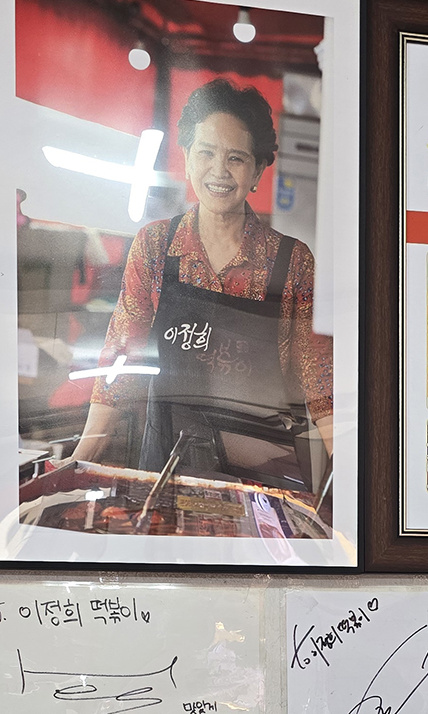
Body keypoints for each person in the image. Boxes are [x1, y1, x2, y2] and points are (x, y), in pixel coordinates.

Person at [72, 78, 333, 496]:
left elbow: (323, 387)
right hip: (166, 475)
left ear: (257, 170)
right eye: (206, 152)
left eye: (236, 158)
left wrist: (349, 486)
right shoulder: (155, 246)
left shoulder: (293, 263)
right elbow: (120, 363)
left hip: (260, 485)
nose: (219, 170)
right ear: (187, 157)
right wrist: (80, 461)